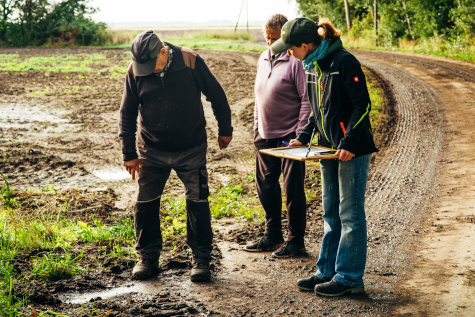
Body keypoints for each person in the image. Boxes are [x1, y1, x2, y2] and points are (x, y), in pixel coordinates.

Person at [271, 17, 378, 296]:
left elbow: (362, 105)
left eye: (291, 48)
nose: (288, 53)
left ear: (305, 45)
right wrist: (303, 137)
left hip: (350, 151)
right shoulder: (313, 66)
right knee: (331, 212)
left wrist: (349, 142)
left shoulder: (344, 62)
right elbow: (317, 112)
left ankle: (350, 278)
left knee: (350, 214)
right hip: (327, 149)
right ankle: (326, 271)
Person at [118, 30, 233, 281]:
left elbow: (217, 95)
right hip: (151, 150)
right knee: (145, 203)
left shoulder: (189, 60)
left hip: (191, 148)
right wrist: (129, 153)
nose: (147, 71)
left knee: (198, 202)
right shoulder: (134, 71)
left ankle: (201, 260)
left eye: (151, 65)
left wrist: (225, 129)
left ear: (163, 52)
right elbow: (126, 113)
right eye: (142, 67)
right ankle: (147, 258)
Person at [244, 14, 311, 257]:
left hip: (289, 136)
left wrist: (300, 134)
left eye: (275, 38)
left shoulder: (295, 61)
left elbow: (307, 100)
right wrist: (256, 128)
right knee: (265, 186)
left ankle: (295, 241)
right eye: (267, 38)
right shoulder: (263, 58)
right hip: (264, 134)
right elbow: (258, 97)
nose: (270, 43)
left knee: (292, 189)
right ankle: (272, 235)